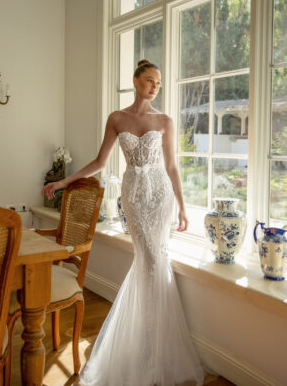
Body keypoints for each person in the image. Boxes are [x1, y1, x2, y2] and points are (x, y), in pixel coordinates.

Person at [42, 59, 205, 386]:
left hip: (160, 193)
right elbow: (100, 162)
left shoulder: (165, 120)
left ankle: (155, 350)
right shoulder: (117, 118)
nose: (154, 86)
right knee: (149, 260)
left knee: (155, 261)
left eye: (158, 82)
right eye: (149, 80)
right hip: (133, 193)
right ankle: (146, 350)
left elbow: (172, 167)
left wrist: (183, 209)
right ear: (135, 80)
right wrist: (62, 182)